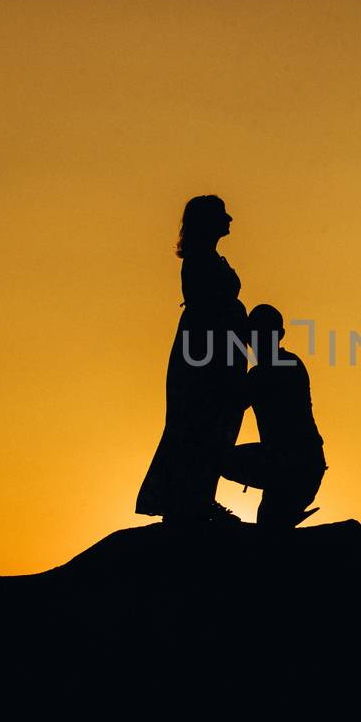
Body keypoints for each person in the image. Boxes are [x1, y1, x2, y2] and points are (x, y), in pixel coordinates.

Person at [135, 194, 249, 526]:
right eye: (222, 215)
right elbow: (207, 309)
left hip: (220, 349)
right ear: (208, 221)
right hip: (205, 352)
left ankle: (200, 499)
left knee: (217, 424)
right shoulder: (200, 260)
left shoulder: (211, 258)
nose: (230, 220)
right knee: (198, 423)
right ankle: (188, 502)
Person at [221, 304, 327, 528]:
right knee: (270, 526)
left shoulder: (274, 369)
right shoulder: (288, 364)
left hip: (291, 463)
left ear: (278, 336)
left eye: (262, 335)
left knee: (217, 459)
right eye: (253, 336)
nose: (257, 342)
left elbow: (231, 401)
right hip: (298, 465)